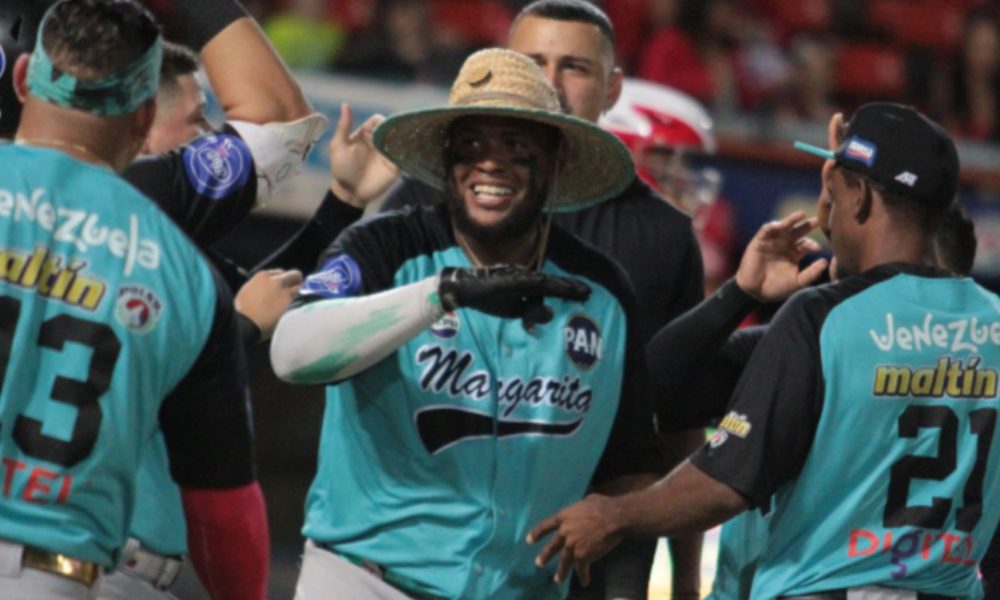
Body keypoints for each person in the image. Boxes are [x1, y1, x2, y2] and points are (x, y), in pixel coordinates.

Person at [260, 3, 707, 596]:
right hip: (365, 579)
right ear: (446, 161)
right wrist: (443, 294)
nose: (490, 161)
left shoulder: (604, 289)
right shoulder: (386, 243)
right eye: (470, 143)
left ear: (554, 163)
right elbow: (291, 351)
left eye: (517, 144)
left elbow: (628, 467)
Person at [530, 102, 1000, 600]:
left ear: (858, 197)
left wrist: (615, 514)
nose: (825, 209)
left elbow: (722, 480)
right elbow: (662, 389)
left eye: (833, 189)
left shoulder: (824, 320)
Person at [1, 1, 318, 596]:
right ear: (145, 116)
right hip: (59, 572)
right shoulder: (171, 253)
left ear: (25, 81)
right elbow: (223, 505)